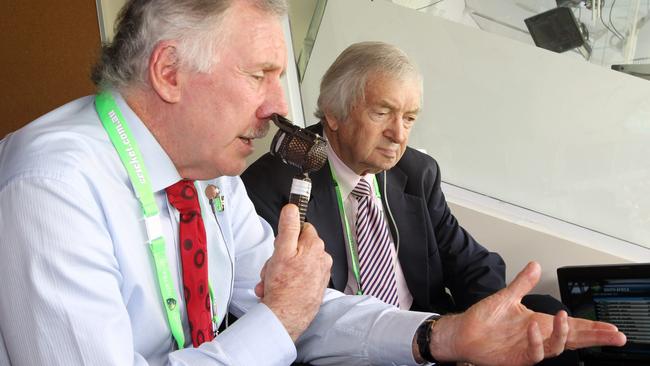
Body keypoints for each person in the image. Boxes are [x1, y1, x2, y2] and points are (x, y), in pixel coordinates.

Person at [0, 1, 625, 366]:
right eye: (262, 74)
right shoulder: (51, 186)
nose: (279, 107)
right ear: (169, 71)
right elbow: (283, 315)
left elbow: (309, 307)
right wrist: (277, 319)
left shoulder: (208, 175)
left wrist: (441, 336)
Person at [242, 42, 577, 364]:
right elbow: (295, 320)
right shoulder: (276, 186)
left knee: (546, 317)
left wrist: (488, 331)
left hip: (434, 340)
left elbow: (473, 264)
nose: (399, 135)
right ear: (333, 113)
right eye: (382, 113)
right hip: (345, 352)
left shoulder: (415, 172)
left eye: (409, 119)